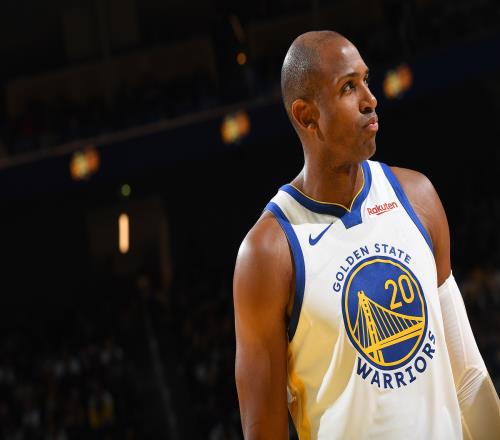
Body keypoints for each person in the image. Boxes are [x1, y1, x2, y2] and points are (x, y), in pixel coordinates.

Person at [233, 30, 500, 439]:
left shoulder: (418, 197)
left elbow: (467, 375)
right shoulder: (268, 252)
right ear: (306, 115)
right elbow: (263, 430)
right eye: (348, 87)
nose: (370, 99)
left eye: (366, 80)